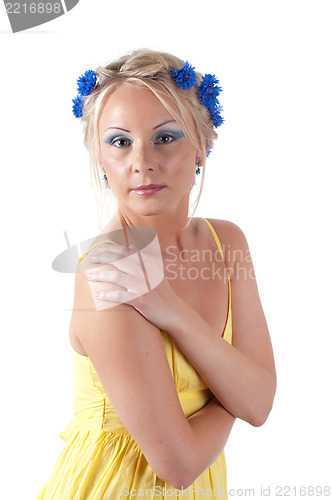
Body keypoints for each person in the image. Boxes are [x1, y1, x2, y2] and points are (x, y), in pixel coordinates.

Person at [36, 50, 276, 499]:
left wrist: (174, 313)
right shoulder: (108, 270)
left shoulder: (228, 244)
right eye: (120, 142)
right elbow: (180, 463)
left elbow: (261, 403)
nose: (142, 161)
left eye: (165, 137)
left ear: (203, 143)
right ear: (100, 159)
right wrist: (235, 392)